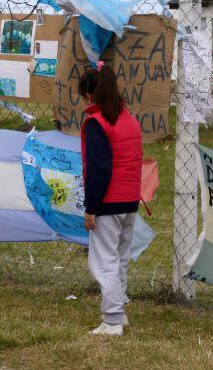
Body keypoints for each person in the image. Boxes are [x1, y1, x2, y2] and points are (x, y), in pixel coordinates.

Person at [78, 62, 142, 337]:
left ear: (90, 95)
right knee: (119, 259)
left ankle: (113, 320)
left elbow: (98, 169)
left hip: (107, 203)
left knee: (103, 262)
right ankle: (120, 312)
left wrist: (91, 208)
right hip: (129, 201)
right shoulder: (129, 118)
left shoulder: (96, 124)